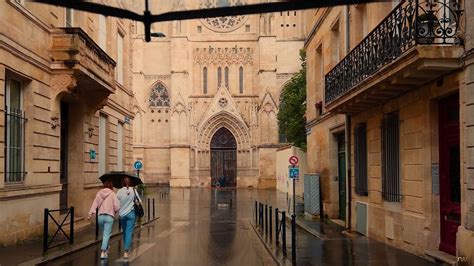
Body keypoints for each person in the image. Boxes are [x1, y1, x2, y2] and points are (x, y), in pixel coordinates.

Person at [87, 180, 120, 259]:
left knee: (105, 234)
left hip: (100, 217)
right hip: (109, 217)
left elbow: (94, 204)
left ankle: (107, 247)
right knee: (106, 234)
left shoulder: (99, 193)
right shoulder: (112, 194)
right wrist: (115, 211)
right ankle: (103, 251)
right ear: (111, 186)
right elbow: (117, 206)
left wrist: (90, 214)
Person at [116, 177, 141, 259]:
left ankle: (126, 247)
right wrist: (134, 202)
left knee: (125, 232)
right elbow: (139, 201)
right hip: (131, 214)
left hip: (122, 215)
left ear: (122, 183)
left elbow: (116, 202)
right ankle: (126, 251)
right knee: (129, 232)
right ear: (130, 182)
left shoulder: (119, 191)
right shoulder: (133, 190)